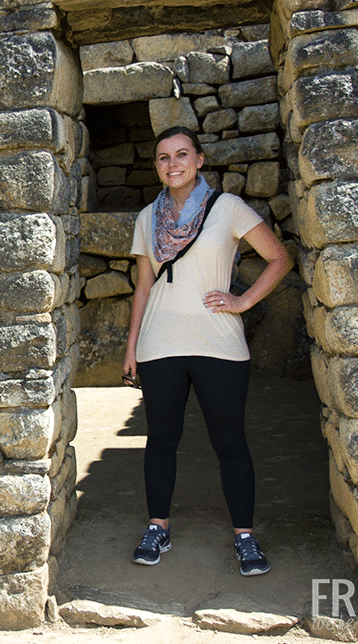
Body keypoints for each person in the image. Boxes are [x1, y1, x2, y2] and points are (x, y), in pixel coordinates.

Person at [122, 126, 292, 576]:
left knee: (230, 441)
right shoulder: (146, 218)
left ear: (199, 160)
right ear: (156, 166)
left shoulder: (227, 209)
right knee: (160, 440)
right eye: (163, 157)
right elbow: (142, 288)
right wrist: (131, 347)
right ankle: (158, 526)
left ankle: (244, 536)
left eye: (181, 155)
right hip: (160, 343)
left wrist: (244, 300)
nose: (172, 164)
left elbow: (280, 257)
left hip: (218, 343)